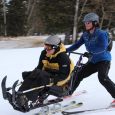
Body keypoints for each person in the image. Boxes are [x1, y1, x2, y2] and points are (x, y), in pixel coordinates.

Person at [6, 35, 74, 111]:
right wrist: (32, 74)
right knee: (28, 74)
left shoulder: (63, 57)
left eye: (49, 48)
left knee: (41, 77)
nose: (46, 49)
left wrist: (51, 80)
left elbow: (64, 76)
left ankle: (27, 99)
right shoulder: (44, 53)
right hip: (49, 74)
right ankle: (19, 95)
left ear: (56, 47)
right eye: (45, 46)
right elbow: (39, 68)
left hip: (60, 80)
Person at [66, 12, 115, 106]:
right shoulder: (85, 35)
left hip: (104, 60)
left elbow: (103, 47)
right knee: (78, 74)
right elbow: (77, 45)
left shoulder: (101, 34)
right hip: (93, 61)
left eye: (88, 22)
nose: (86, 24)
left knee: (103, 78)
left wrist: (90, 53)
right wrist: (65, 50)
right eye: (85, 22)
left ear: (95, 23)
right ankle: (68, 93)